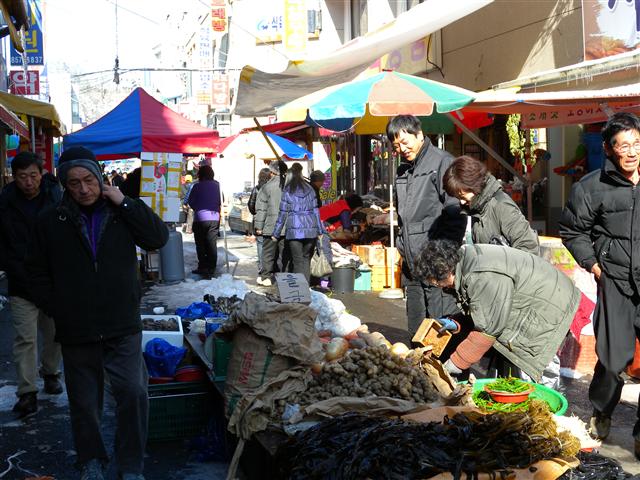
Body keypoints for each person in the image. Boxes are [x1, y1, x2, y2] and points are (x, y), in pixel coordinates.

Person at [25, 146, 168, 480]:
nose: (83, 189)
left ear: (100, 179)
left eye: (89, 180)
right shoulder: (50, 220)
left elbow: (157, 238)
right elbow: (35, 272)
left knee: (133, 393)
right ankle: (91, 460)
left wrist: (126, 201)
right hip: (78, 328)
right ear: (64, 184)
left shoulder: (121, 212)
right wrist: (58, 306)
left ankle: (131, 466)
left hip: (122, 323)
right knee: (85, 403)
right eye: (74, 183)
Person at [559, 112, 640, 454]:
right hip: (617, 282)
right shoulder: (592, 187)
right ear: (609, 149)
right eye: (624, 145)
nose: (632, 151)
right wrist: (594, 266)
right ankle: (602, 410)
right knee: (612, 357)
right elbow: (572, 231)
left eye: (637, 143)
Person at [414, 240, 589, 382]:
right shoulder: (466, 260)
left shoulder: (480, 275)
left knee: (530, 383)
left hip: (549, 309)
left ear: (443, 273)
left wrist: (455, 363)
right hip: (542, 298)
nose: (437, 287)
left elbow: (488, 330)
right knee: (507, 377)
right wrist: (457, 322)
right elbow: (486, 308)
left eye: (434, 282)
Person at [386, 115, 466, 335]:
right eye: (396, 145)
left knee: (439, 329)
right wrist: (401, 246)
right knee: (416, 330)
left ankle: (447, 369)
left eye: (404, 142)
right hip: (412, 266)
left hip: (435, 264)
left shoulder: (442, 162)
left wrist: (442, 257)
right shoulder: (403, 170)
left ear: (419, 134)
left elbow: (456, 212)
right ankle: (418, 369)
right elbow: (404, 216)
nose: (401, 149)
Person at [0, 151, 63, 418]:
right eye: (22, 177)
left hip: (51, 281)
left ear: (42, 174)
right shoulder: (4, 203)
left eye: (33, 176)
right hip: (20, 282)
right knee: (25, 338)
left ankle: (50, 372)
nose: (28, 182)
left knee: (53, 334)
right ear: (14, 177)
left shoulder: (56, 197)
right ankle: (27, 392)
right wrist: (16, 270)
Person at [443, 155, 539, 254]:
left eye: (462, 196)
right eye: (458, 198)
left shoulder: (502, 206)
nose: (461, 202)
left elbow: (529, 247)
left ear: (474, 186)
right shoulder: (478, 208)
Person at [272, 162, 324, 282]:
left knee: (297, 260)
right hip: (310, 230)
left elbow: (282, 213)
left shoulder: (288, 190)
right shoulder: (310, 189)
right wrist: (320, 230)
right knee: (306, 259)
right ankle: (306, 288)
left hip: (294, 231)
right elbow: (316, 211)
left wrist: (276, 233)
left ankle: (300, 291)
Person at [254, 161, 289, 286]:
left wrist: (259, 226)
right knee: (284, 254)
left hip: (271, 226)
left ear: (272, 172)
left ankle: (266, 277)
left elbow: (261, 209)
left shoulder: (266, 187)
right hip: (287, 226)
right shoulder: (290, 186)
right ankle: (285, 277)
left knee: (268, 253)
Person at [187, 165, 221, 276]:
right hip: (214, 218)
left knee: (200, 244)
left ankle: (203, 266)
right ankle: (212, 267)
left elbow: (190, 201)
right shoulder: (217, 186)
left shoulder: (196, 186)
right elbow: (222, 200)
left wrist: (198, 207)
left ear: (200, 174)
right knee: (212, 244)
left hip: (200, 219)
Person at [248, 167, 272, 274]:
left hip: (259, 221)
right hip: (272, 220)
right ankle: (271, 267)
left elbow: (251, 204)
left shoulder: (256, 189)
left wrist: (256, 213)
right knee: (271, 244)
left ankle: (262, 267)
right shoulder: (274, 188)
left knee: (261, 244)